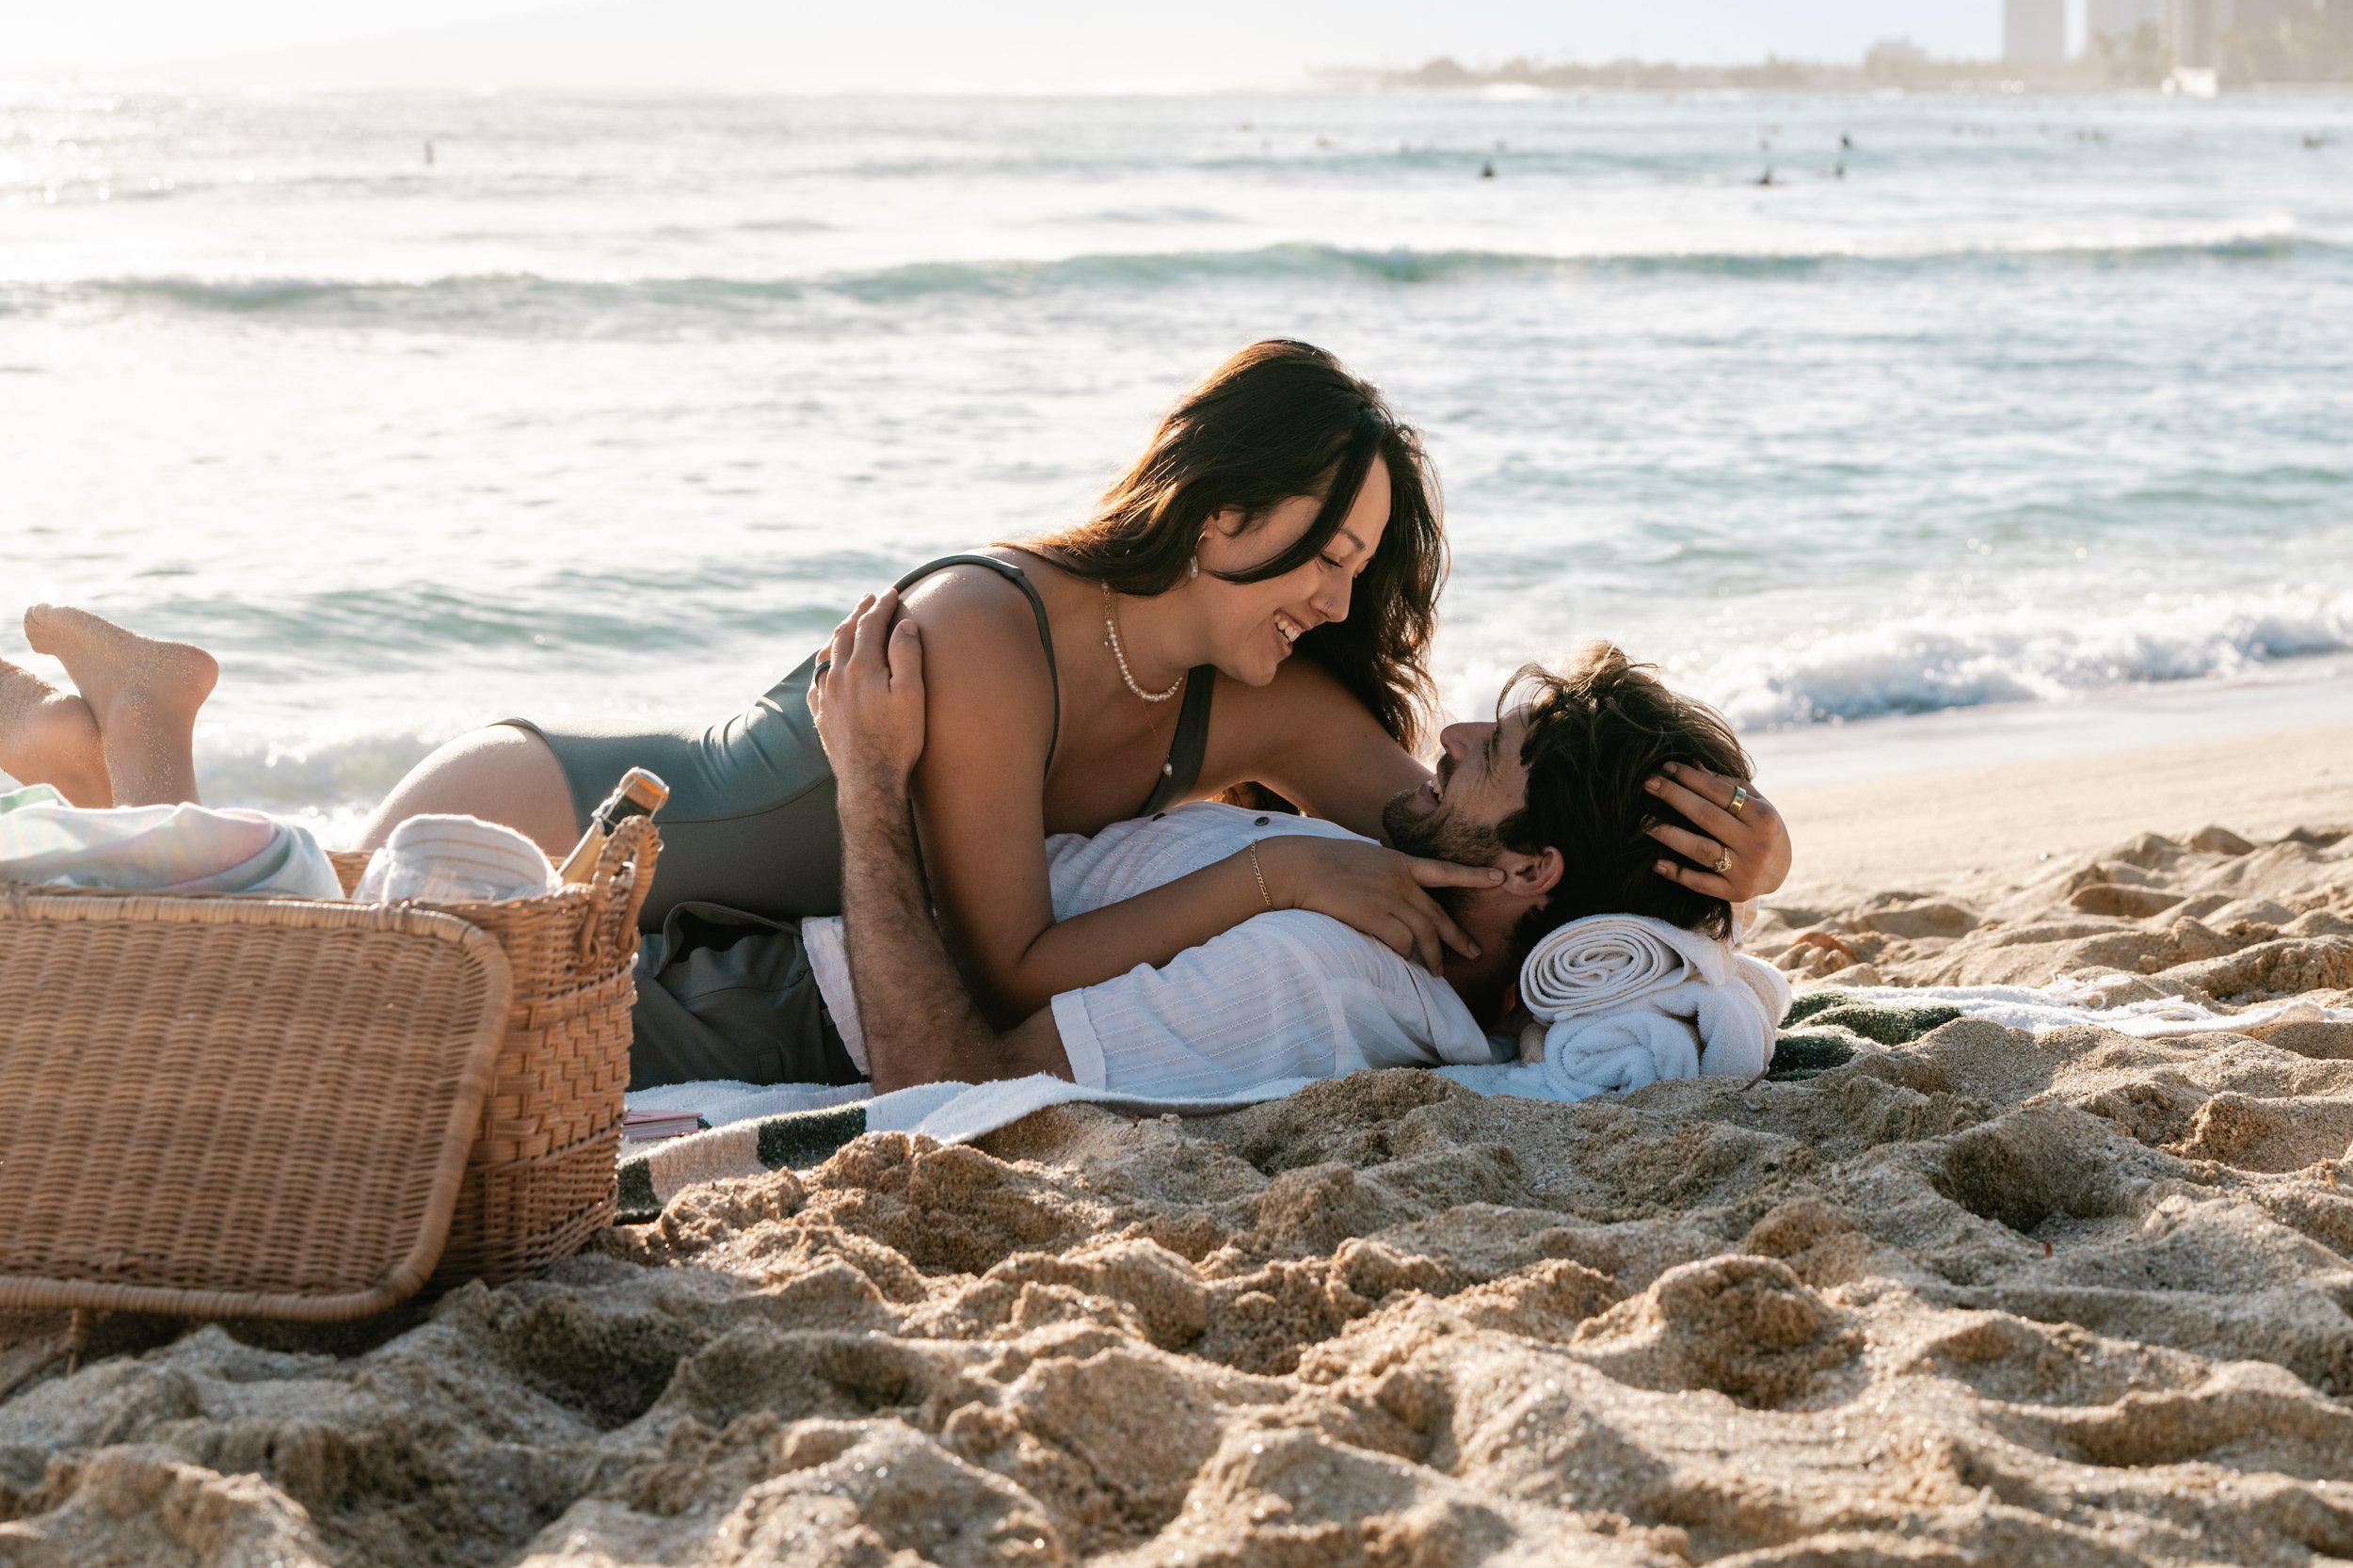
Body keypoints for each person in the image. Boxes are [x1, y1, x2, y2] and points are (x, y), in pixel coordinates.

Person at [0, 338, 1791, 1080]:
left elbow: (1497, 850)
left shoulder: (1273, 703)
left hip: (713, 937)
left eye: (1360, 565)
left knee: (268, 981)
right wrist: (1276, 882)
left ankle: (121, 751)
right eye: (1321, 551)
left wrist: (1749, 854)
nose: (1342, 599)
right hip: (579, 811)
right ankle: (137, 745)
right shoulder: (994, 632)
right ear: (1214, 505)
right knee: (282, 987)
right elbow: (1005, 961)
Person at [808, 588, 1772, 1098]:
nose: (1449, 738)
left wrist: (870, 780)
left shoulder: (1314, 970)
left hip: (802, 991)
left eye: (1493, 750)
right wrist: (1752, 874)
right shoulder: (1407, 902)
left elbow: (948, 1086)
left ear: (1528, 869)